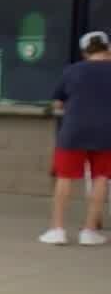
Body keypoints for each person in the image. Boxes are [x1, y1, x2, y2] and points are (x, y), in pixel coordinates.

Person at [39, 31, 111, 246]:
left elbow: (57, 103)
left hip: (74, 130)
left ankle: (58, 229)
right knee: (100, 178)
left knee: (65, 177)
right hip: (107, 132)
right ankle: (89, 231)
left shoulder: (72, 71)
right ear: (108, 48)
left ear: (84, 52)